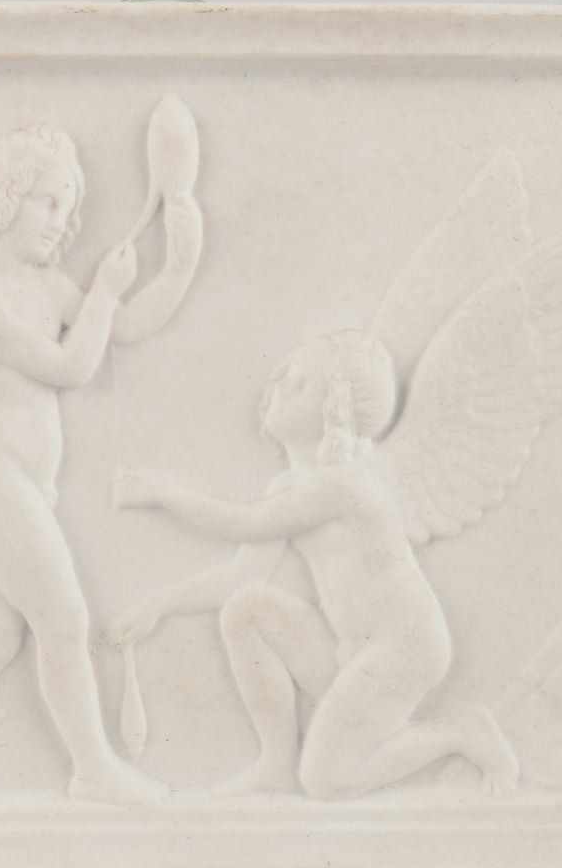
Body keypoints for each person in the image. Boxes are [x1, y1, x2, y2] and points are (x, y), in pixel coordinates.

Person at [0, 125, 198, 804]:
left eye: (68, 207)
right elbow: (70, 367)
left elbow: (121, 330)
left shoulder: (47, 288)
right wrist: (105, 292)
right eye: (48, 202)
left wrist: (176, 267)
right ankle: (93, 768)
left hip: (23, 485)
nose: (61, 221)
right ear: (1, 199)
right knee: (64, 620)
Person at [111, 329, 520, 798]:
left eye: (302, 384)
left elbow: (245, 523)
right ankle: (275, 763)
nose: (282, 386)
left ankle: (460, 732)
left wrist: (164, 493)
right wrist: (158, 606)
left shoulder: (341, 486)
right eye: (287, 375)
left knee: (327, 781)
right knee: (247, 609)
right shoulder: (289, 487)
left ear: (334, 407)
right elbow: (241, 575)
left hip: (403, 646)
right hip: (352, 648)